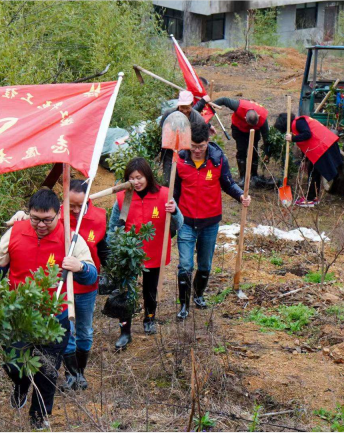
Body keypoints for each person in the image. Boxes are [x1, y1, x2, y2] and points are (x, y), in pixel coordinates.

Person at [0, 188, 97, 430]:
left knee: (48, 372)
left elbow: (91, 276)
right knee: (13, 364)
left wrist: (79, 267)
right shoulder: (14, 233)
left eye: (47, 220)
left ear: (57, 214)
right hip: (17, 316)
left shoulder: (71, 239)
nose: (41, 225)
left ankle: (39, 416)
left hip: (54, 318)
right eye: (35, 219)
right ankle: (20, 385)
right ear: (28, 213)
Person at [174, 123, 251, 319]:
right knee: (184, 265)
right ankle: (184, 305)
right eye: (193, 146)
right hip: (186, 222)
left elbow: (228, 184)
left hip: (210, 222)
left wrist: (241, 196)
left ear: (208, 142)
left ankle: (198, 295)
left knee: (205, 265)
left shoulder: (218, 160)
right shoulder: (179, 161)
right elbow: (173, 192)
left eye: (201, 146)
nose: (197, 151)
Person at [108, 157, 184, 350]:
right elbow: (113, 227)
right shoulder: (123, 198)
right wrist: (114, 251)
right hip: (129, 253)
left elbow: (179, 224)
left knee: (150, 289)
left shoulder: (164, 195)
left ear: (148, 177)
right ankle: (125, 331)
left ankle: (149, 318)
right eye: (132, 178)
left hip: (154, 250)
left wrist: (174, 211)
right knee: (126, 292)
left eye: (140, 177)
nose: (136, 182)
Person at [59, 179, 109, 391]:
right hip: (62, 286)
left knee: (85, 330)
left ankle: (80, 372)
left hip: (88, 284)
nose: (76, 210)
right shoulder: (57, 216)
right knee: (67, 330)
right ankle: (70, 374)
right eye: (72, 205)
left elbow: (104, 249)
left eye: (81, 205)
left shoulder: (99, 217)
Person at [197, 97, 272, 188]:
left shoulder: (263, 118)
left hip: (254, 131)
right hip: (239, 128)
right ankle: (243, 177)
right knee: (241, 151)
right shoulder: (239, 106)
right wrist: (211, 106)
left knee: (254, 151)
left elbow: (266, 137)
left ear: (258, 117)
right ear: (245, 117)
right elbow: (223, 100)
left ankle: (254, 175)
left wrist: (268, 153)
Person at [274, 113, 343, 207]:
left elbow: (307, 134)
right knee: (314, 171)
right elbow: (305, 143)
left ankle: (311, 199)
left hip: (323, 146)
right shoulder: (298, 123)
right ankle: (313, 197)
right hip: (324, 144)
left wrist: (293, 138)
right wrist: (304, 160)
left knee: (315, 172)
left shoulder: (298, 122)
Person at [160, 90, 209, 185]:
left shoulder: (198, 119)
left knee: (185, 180)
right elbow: (163, 130)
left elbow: (200, 138)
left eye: (187, 108)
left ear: (192, 105)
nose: (185, 111)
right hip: (170, 151)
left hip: (189, 153)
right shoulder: (168, 114)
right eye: (182, 107)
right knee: (168, 180)